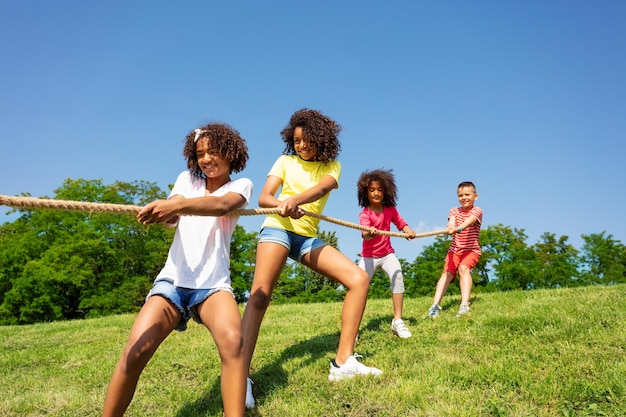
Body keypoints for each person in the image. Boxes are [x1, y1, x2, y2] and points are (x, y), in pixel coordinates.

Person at [102, 123, 253, 417]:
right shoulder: (186, 180)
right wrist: (166, 211)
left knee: (234, 343)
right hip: (173, 281)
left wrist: (178, 206)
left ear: (231, 152)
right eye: (200, 154)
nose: (206, 159)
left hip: (213, 286)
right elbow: (173, 212)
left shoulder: (241, 185)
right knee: (136, 353)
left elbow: (222, 205)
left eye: (213, 151)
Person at [241, 108, 381, 408]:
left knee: (358, 279)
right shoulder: (285, 161)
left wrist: (297, 200)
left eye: (306, 140)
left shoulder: (333, 166)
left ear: (321, 138)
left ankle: (343, 363)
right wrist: (283, 204)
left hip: (306, 237)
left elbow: (323, 187)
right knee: (260, 296)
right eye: (297, 141)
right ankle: (240, 377)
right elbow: (265, 198)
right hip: (278, 228)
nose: (301, 146)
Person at [356, 168, 416, 338]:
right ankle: (354, 327)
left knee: (397, 275)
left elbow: (400, 223)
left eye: (380, 190)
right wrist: (369, 231)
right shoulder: (365, 214)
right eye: (372, 190)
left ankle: (397, 321)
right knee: (359, 288)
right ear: (365, 192)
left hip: (387, 254)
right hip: (368, 257)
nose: (376, 193)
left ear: (386, 191)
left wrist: (408, 230)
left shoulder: (390, 209)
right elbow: (364, 235)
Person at [427, 181, 482, 318]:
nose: (464, 197)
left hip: (471, 250)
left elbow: (470, 220)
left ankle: (464, 305)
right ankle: (435, 306)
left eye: (467, 194)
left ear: (475, 196)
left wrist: (459, 228)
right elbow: (451, 221)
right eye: (460, 195)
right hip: (454, 250)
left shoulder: (477, 211)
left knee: (463, 269)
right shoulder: (454, 210)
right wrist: (451, 227)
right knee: (447, 274)